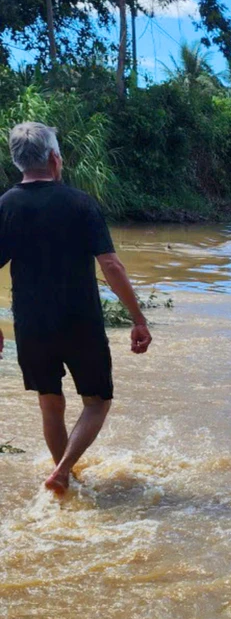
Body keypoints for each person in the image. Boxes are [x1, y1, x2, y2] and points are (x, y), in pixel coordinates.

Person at [0, 123, 151, 495]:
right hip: (80, 321)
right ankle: (65, 470)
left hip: (30, 323)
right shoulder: (80, 202)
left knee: (50, 404)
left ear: (17, 162)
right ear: (55, 159)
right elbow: (111, 266)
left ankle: (63, 475)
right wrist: (138, 319)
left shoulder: (5, 205)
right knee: (97, 403)